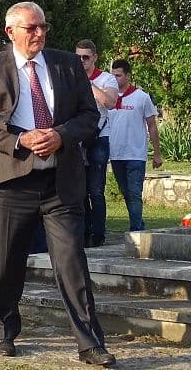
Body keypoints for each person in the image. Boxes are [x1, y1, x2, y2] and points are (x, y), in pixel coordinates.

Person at [0, 1, 115, 366]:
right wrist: (21, 140)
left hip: (60, 181)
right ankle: (4, 329)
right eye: (30, 28)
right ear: (10, 32)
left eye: (43, 27)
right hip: (10, 182)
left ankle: (90, 343)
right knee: (8, 262)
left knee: (72, 263)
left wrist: (61, 135)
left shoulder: (66, 64)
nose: (38, 34)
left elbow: (89, 116)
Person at [108, 59, 163, 232]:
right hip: (116, 154)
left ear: (128, 76)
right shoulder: (108, 98)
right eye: (112, 75)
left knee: (134, 193)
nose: (114, 79)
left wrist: (157, 153)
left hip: (135, 155)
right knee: (127, 193)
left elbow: (152, 125)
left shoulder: (142, 97)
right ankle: (140, 226)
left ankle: (136, 231)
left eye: (118, 75)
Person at [75, 40, 120, 248]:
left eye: (86, 57)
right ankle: (83, 231)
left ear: (94, 57)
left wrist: (89, 84)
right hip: (78, 139)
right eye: (78, 57)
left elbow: (110, 102)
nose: (82, 61)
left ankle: (98, 233)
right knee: (80, 190)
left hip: (99, 137)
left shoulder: (106, 78)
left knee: (96, 189)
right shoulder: (71, 77)